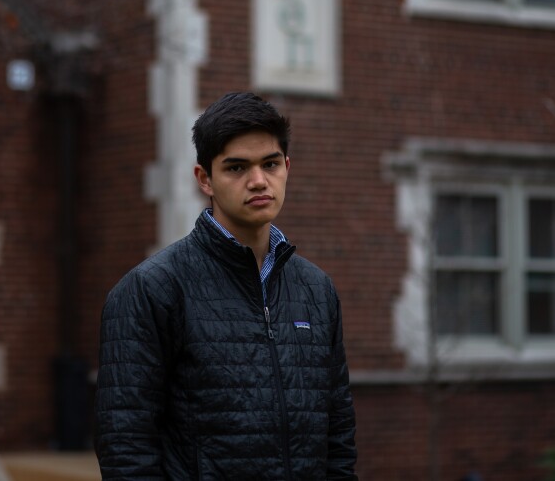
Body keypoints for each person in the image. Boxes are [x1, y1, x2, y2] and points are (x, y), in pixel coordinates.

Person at [95, 92, 358, 480]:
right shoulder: (151, 290)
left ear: (287, 166)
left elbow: (338, 437)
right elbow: (126, 448)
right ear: (205, 179)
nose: (258, 181)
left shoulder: (316, 290)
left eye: (270, 164)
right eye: (236, 168)